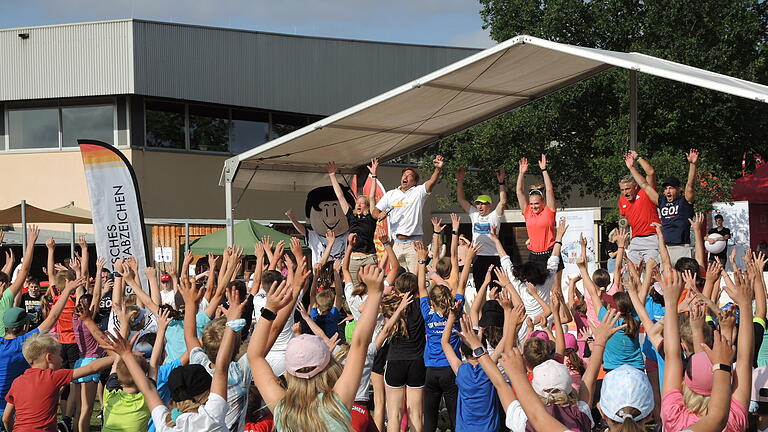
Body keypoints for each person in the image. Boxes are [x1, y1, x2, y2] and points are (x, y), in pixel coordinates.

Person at [249, 264, 384, 432]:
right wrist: (375, 292)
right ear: (328, 366)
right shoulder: (336, 405)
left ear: (289, 372)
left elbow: (254, 356)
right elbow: (360, 344)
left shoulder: (282, 410)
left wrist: (270, 309)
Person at [2, 332, 115, 432]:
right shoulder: (53, 377)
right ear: (49, 358)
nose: (62, 359)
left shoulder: (17, 382)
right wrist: (121, 356)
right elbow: (92, 368)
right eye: (59, 355)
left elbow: (6, 418)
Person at [371, 155, 445, 272]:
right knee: (397, 279)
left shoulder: (418, 192)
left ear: (414, 181)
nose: (405, 177)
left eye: (409, 176)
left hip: (414, 244)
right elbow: (374, 212)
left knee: (415, 278)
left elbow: (431, 182)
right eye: (404, 175)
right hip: (397, 244)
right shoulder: (391, 194)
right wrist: (379, 215)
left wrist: (438, 169)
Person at [327, 158, 380, 285]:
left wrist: (374, 175)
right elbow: (340, 196)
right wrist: (332, 176)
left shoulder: (371, 218)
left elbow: (372, 197)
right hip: (353, 258)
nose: (359, 205)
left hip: (368, 257)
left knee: (371, 289)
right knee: (354, 290)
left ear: (367, 206)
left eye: (362, 203)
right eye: (357, 203)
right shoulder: (351, 215)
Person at [455, 165, 507, 285]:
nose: (479, 206)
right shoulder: (474, 214)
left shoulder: (494, 215)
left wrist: (501, 182)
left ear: (489, 205)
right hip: (478, 256)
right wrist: (460, 181)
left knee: (496, 292)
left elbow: (503, 201)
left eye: (483, 204)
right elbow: (461, 199)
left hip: (494, 257)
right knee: (479, 290)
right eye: (478, 203)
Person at [516, 155, 562, 270]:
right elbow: (519, 192)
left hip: (550, 253)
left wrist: (544, 170)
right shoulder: (528, 213)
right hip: (534, 256)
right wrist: (521, 173)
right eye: (531, 204)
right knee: (533, 287)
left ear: (543, 202)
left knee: (555, 288)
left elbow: (550, 190)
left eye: (536, 203)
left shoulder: (549, 211)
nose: (533, 206)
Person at [619, 151, 662, 263]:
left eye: (628, 189)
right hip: (635, 240)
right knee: (630, 273)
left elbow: (651, 172)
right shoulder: (622, 200)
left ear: (636, 186)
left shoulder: (645, 192)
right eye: (622, 190)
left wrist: (637, 158)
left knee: (653, 272)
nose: (625, 192)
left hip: (652, 237)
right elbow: (625, 222)